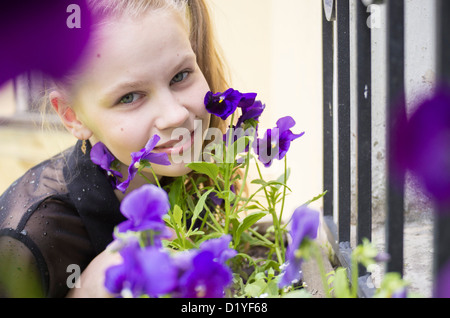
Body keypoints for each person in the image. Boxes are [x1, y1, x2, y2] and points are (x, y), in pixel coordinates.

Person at [0, 0, 230, 297]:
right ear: (73, 116)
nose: (176, 114)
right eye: (130, 97)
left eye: (181, 76)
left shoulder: (199, 175)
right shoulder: (29, 239)